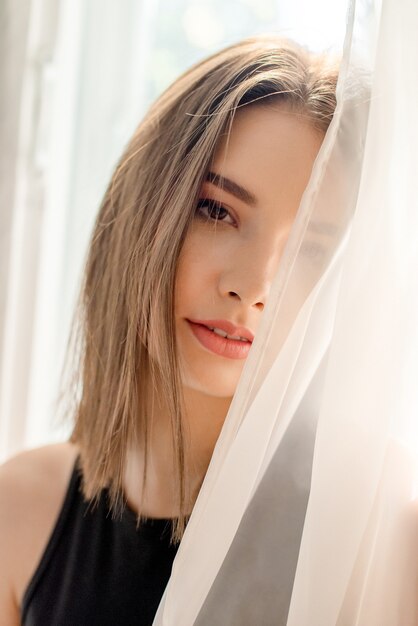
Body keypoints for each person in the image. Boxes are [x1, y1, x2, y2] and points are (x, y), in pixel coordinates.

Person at [0, 35, 338, 625]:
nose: (254, 286)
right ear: (143, 209)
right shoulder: (21, 510)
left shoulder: (366, 540)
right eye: (216, 210)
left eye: (309, 247)